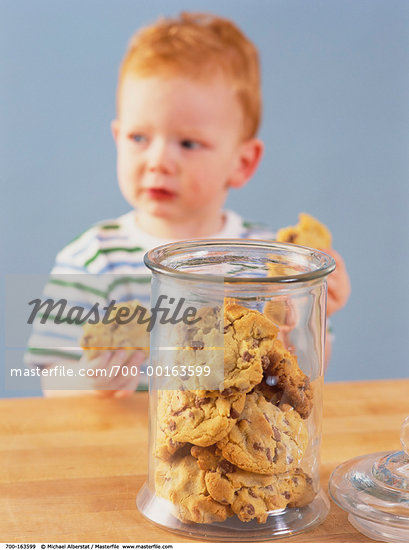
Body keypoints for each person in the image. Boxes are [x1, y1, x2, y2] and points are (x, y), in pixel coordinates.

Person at [26, 12, 350, 397]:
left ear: (241, 162)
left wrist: (314, 311)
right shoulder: (92, 260)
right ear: (117, 138)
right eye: (139, 138)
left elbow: (303, 376)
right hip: (125, 452)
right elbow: (50, 379)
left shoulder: (270, 265)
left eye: (188, 144)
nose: (158, 160)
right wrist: (92, 382)